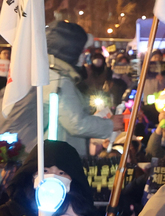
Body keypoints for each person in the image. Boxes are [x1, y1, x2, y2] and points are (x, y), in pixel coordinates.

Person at [0, 21, 115, 151]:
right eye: (81, 50)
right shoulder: (57, 80)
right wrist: (111, 125)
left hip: (25, 154)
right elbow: (76, 124)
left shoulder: (37, 73)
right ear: (69, 51)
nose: (83, 55)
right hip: (50, 159)